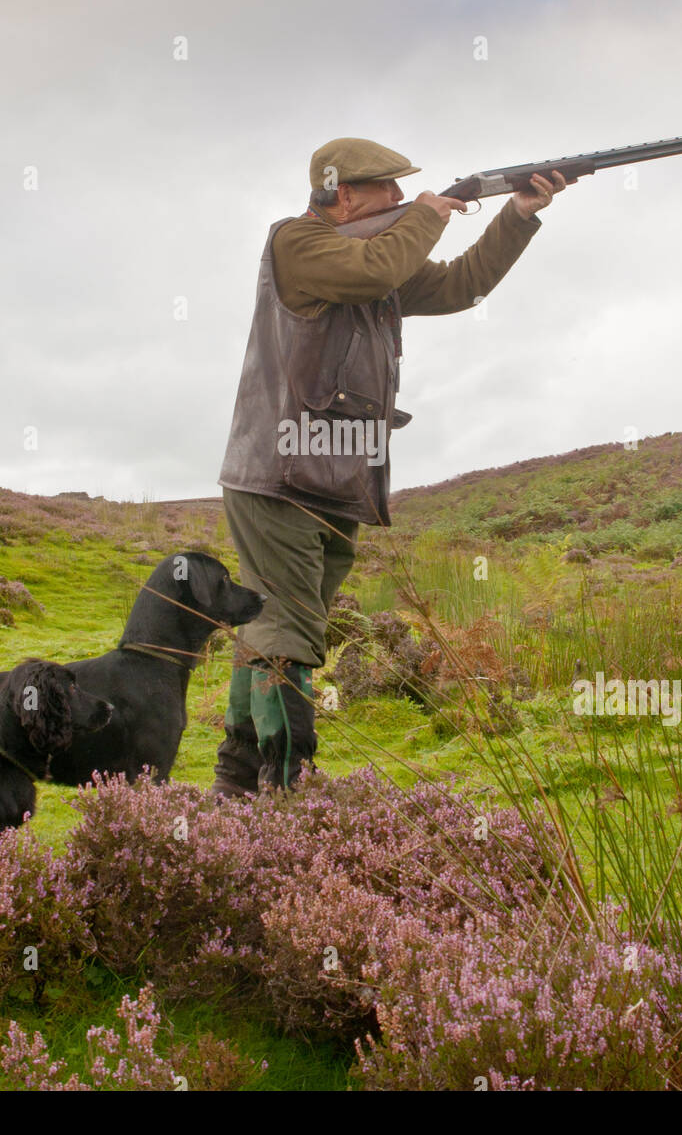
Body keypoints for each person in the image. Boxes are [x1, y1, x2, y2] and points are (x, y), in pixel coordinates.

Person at [212, 137, 567, 795]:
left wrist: (515, 215)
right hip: (280, 475)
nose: (402, 200)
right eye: (388, 191)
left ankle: (236, 788)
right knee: (287, 632)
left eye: (407, 193)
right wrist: (429, 214)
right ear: (343, 194)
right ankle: (284, 793)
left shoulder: (382, 250)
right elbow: (371, 272)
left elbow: (460, 285)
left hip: (337, 479)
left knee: (284, 629)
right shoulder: (297, 242)